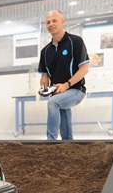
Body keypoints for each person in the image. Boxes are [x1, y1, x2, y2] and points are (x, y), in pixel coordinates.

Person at [38, 10, 90, 140]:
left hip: (76, 90)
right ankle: (69, 145)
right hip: (58, 92)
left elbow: (84, 69)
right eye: (48, 22)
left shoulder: (75, 42)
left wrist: (66, 85)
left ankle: (50, 142)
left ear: (63, 21)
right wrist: (44, 85)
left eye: (54, 20)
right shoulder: (45, 51)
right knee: (66, 134)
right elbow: (44, 76)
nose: (51, 24)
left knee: (53, 103)